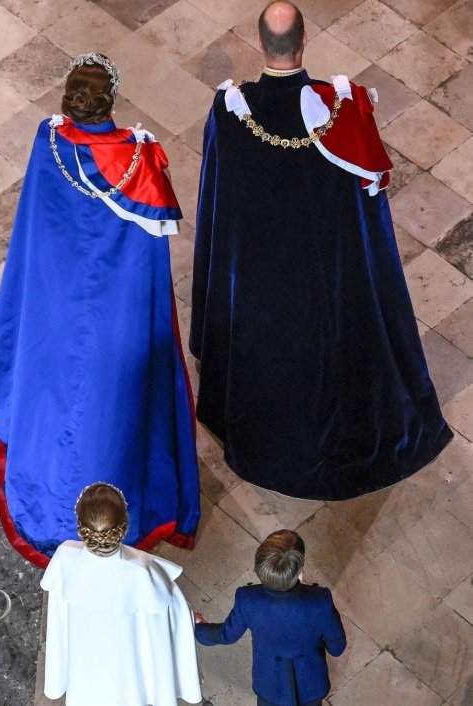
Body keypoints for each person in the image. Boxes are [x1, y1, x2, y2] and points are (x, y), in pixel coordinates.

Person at [189, 1, 452, 500]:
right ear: (303, 42)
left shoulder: (230, 114)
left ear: (261, 44)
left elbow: (217, 201)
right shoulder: (344, 109)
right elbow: (369, 210)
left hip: (264, 280)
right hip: (335, 278)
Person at [0, 53, 200, 568]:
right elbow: (149, 261)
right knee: (115, 400)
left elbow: (38, 225)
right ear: (108, 101)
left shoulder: (48, 144)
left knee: (55, 391)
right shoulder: (141, 160)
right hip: (118, 312)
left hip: (57, 297)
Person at [41, 482, 204, 705]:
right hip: (130, 670)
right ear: (124, 526)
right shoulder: (142, 570)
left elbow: (60, 622)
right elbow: (169, 618)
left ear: (81, 528)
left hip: (86, 666)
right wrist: (191, 619)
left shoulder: (64, 559)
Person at [195, 529, 346, 706]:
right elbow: (337, 648)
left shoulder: (247, 599)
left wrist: (197, 628)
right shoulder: (321, 601)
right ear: (299, 570)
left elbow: (226, 635)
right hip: (310, 687)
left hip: (269, 685)